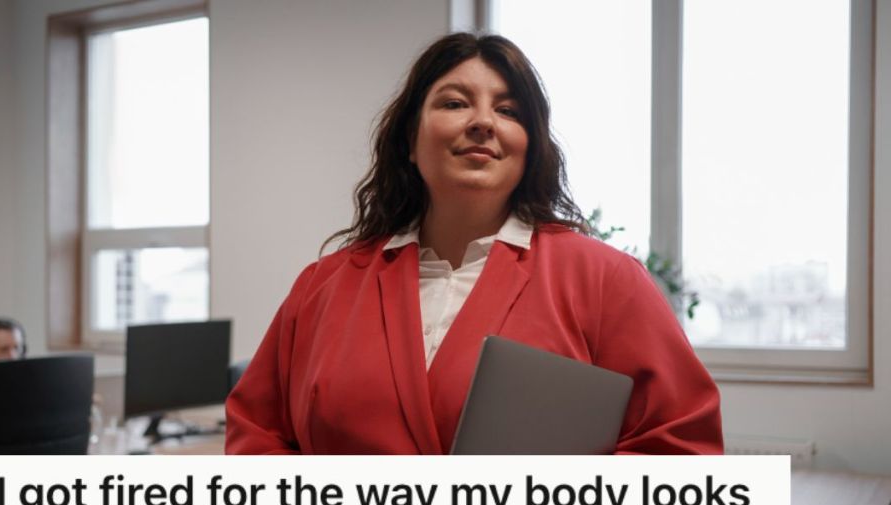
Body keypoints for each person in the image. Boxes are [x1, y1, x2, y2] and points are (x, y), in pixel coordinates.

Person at [225, 33, 723, 455]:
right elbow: (256, 437)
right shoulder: (322, 287)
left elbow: (680, 451)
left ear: (530, 146)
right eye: (454, 103)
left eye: (508, 110)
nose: (483, 121)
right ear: (408, 141)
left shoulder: (604, 279)